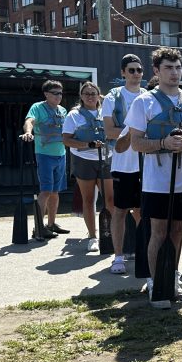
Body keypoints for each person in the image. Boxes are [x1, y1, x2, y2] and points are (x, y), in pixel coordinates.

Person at [124, 48, 182, 308]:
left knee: (178, 231)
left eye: (177, 67)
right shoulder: (144, 102)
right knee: (159, 232)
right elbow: (136, 143)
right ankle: (155, 282)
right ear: (157, 72)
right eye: (168, 68)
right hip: (156, 180)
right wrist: (163, 142)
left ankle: (171, 279)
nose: (174, 72)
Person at [102, 54, 147, 274]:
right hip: (122, 164)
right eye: (131, 70)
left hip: (146, 164)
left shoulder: (149, 96)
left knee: (142, 212)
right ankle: (118, 257)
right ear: (122, 73)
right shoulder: (113, 97)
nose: (136, 74)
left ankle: (145, 252)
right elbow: (109, 131)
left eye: (139, 70)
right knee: (120, 211)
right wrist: (134, 130)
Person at [62, 81, 113, 253]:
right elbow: (67, 140)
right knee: (89, 199)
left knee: (110, 200)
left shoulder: (107, 112)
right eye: (87, 94)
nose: (90, 96)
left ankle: (111, 234)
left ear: (99, 95)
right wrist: (87, 144)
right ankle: (93, 236)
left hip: (106, 159)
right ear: (81, 97)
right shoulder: (73, 115)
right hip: (83, 159)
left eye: (93, 93)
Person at [22, 80, 69, 239]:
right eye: (55, 93)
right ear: (46, 94)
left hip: (61, 155)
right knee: (46, 191)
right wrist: (29, 132)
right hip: (44, 155)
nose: (58, 96)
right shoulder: (37, 107)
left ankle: (51, 224)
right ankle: (38, 227)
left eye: (60, 93)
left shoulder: (63, 110)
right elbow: (30, 121)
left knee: (55, 192)